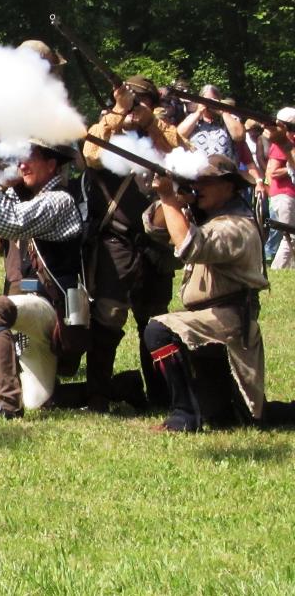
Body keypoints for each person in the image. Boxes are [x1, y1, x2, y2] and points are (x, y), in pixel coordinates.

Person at [73, 77, 186, 410]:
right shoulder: (106, 130)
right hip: (116, 239)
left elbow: (186, 155)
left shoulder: (161, 133)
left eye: (142, 104)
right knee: (108, 315)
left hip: (156, 243)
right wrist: (117, 115)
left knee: (155, 322)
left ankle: (161, 394)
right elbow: (90, 154)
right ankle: (97, 394)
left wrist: (149, 122)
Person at [143, 155, 268, 432]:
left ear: (230, 187)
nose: (200, 187)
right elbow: (154, 226)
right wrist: (175, 198)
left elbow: (189, 247)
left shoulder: (235, 226)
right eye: (196, 181)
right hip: (212, 322)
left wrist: (168, 196)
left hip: (229, 322)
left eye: (207, 182)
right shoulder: (210, 219)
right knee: (222, 415)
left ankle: (184, 416)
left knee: (158, 330)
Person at [0, 141, 83, 420]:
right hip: (33, 307)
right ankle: (117, 388)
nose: (22, 164)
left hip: (52, 309)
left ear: (52, 165)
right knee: (38, 403)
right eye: (20, 159)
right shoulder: (29, 195)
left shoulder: (58, 200)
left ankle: (6, 404)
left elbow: (9, 222)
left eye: (30, 159)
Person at [177, 84, 244, 162]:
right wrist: (199, 112)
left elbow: (239, 136)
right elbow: (178, 135)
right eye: (206, 100)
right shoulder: (193, 118)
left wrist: (223, 112)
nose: (209, 104)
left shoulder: (229, 117)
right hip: (199, 171)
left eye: (213, 100)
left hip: (225, 171)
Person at [264, 108, 295, 269]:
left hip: (289, 194)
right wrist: (290, 167)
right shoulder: (280, 145)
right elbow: (273, 172)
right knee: (290, 236)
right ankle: (278, 269)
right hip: (284, 194)